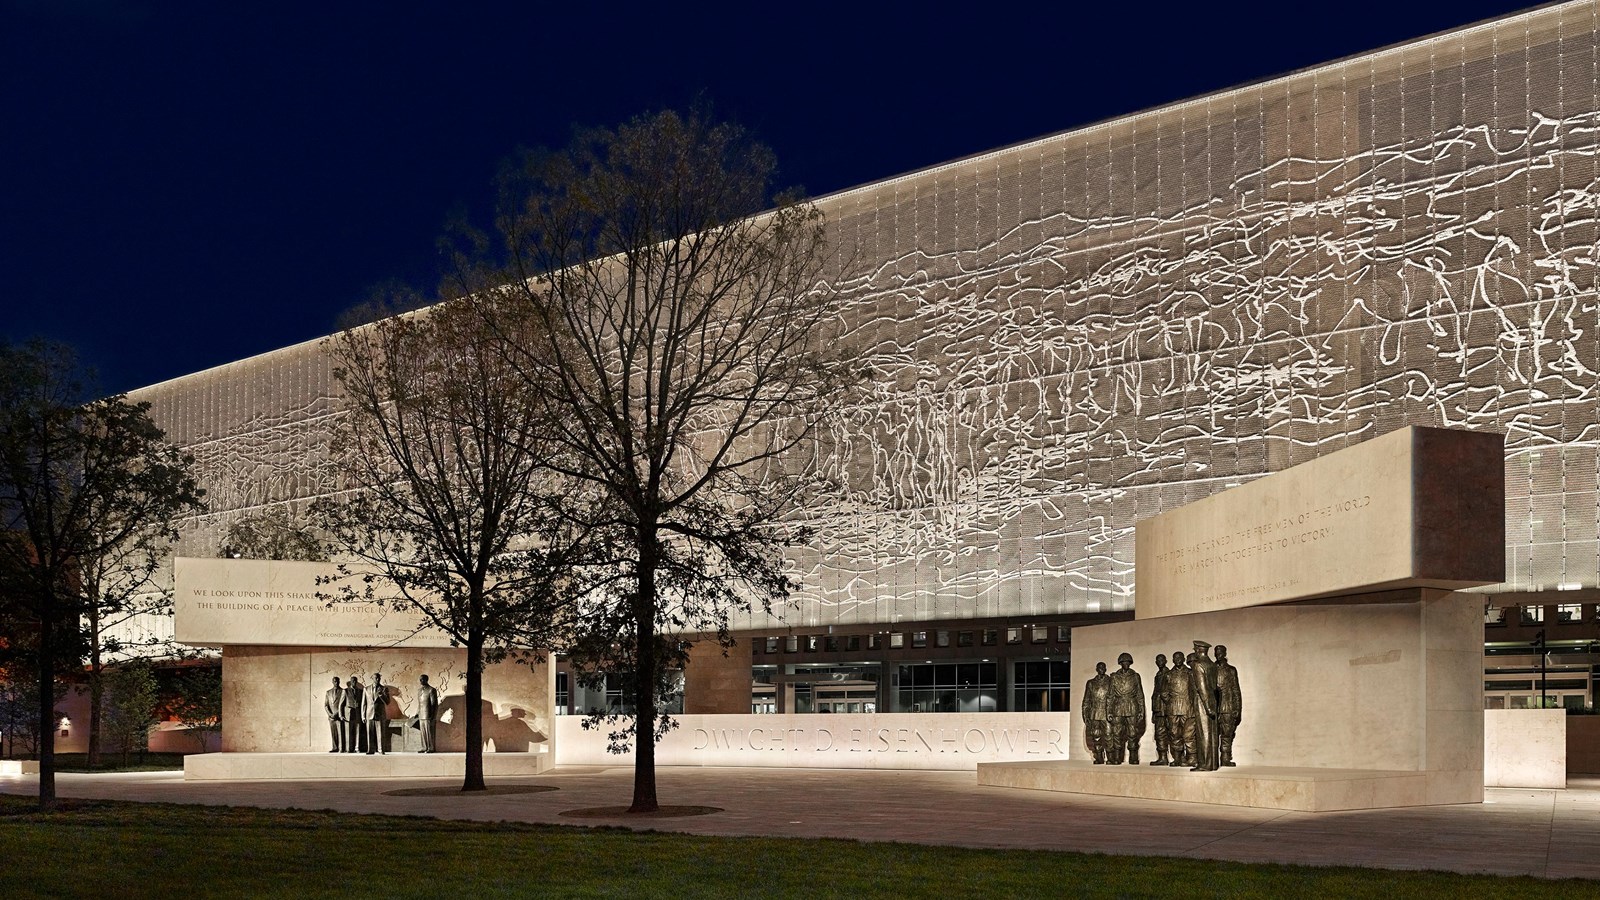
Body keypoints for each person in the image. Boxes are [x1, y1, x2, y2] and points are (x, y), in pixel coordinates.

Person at [1106, 652, 1145, 765]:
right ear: (1120, 663)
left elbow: (1140, 694)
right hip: (1118, 707)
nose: (1126, 664)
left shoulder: (1135, 676)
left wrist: (1141, 710)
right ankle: (1117, 757)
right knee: (1117, 733)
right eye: (1124, 662)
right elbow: (1110, 695)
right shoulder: (1114, 677)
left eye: (1128, 662)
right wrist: (1108, 711)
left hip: (1132, 706)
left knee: (1132, 733)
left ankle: (1133, 757)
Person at [1188, 640, 1219, 772]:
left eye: (1195, 649)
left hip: (1203, 701)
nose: (1194, 651)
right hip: (1213, 699)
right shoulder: (1212, 664)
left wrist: (1207, 707)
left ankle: (1204, 764)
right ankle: (1213, 763)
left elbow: (1202, 688)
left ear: (1198, 650)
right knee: (1212, 733)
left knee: (1203, 733)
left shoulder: (1197, 664)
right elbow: (1214, 687)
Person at [1165, 648, 1193, 767]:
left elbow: (1195, 691)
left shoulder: (1190, 673)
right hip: (1173, 708)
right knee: (1174, 733)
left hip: (1187, 707)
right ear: (1173, 660)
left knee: (1189, 734)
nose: (1178, 660)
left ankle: (1191, 758)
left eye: (1180, 658)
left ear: (1183, 659)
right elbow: (1164, 693)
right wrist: (1171, 701)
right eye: (1175, 658)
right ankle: (1177, 758)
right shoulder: (1169, 675)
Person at [1215, 644, 1242, 767]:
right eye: (1216, 652)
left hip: (1227, 705)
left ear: (1225, 654)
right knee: (1214, 735)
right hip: (1214, 707)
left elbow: (1236, 690)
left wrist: (1237, 708)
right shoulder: (1211, 669)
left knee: (1227, 734)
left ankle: (1225, 758)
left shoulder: (1231, 670)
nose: (1218, 654)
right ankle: (1213, 759)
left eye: (1220, 652)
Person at [1081, 661, 1112, 764]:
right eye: (1099, 668)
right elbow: (1086, 700)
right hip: (1094, 713)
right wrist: (1085, 716)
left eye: (1103, 668)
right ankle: (1099, 757)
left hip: (1106, 713)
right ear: (1097, 669)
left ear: (1105, 669)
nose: (1101, 669)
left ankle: (1110, 757)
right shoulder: (1091, 683)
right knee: (1096, 736)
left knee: (1108, 735)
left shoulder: (1110, 681)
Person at [1148, 653, 1171, 766]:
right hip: (1158, 709)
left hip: (1167, 708)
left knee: (1172, 733)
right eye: (1158, 660)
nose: (1159, 662)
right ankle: (1163, 757)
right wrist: (1153, 711)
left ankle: (1178, 758)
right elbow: (1155, 693)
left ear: (1165, 661)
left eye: (1162, 660)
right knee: (1159, 734)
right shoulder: (1158, 675)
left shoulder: (1169, 674)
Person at [363, 672, 389, 755]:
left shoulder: (384, 689)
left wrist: (381, 696)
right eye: (376, 678)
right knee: (369, 733)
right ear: (372, 678)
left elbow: (387, 702)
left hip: (380, 714)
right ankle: (370, 750)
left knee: (380, 733)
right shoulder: (366, 689)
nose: (377, 679)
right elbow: (364, 704)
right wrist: (363, 716)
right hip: (369, 714)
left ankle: (381, 750)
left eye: (378, 678)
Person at [414, 674, 440, 753]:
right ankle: (424, 747)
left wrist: (433, 715)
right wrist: (417, 712)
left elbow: (434, 704)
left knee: (429, 732)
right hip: (421, 714)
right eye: (420, 679)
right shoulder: (419, 690)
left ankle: (431, 748)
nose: (420, 681)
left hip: (428, 714)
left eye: (422, 679)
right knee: (423, 733)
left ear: (426, 680)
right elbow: (419, 703)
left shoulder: (431, 690)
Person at [342, 675, 364, 754]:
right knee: (348, 731)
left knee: (358, 731)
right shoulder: (345, 691)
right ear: (350, 682)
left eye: (355, 680)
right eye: (352, 680)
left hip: (358, 713)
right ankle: (349, 748)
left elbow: (363, 703)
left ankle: (357, 748)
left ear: (357, 682)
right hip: (348, 714)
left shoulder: (360, 691)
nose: (354, 682)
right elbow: (341, 704)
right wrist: (341, 715)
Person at [323, 677, 345, 753]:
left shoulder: (343, 691)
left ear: (339, 681)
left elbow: (343, 704)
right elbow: (326, 705)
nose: (336, 682)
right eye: (335, 681)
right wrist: (330, 714)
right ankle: (335, 747)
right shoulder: (328, 692)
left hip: (339, 715)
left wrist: (337, 713)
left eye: (337, 681)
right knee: (333, 733)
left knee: (341, 732)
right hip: (331, 717)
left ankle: (341, 748)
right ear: (332, 682)